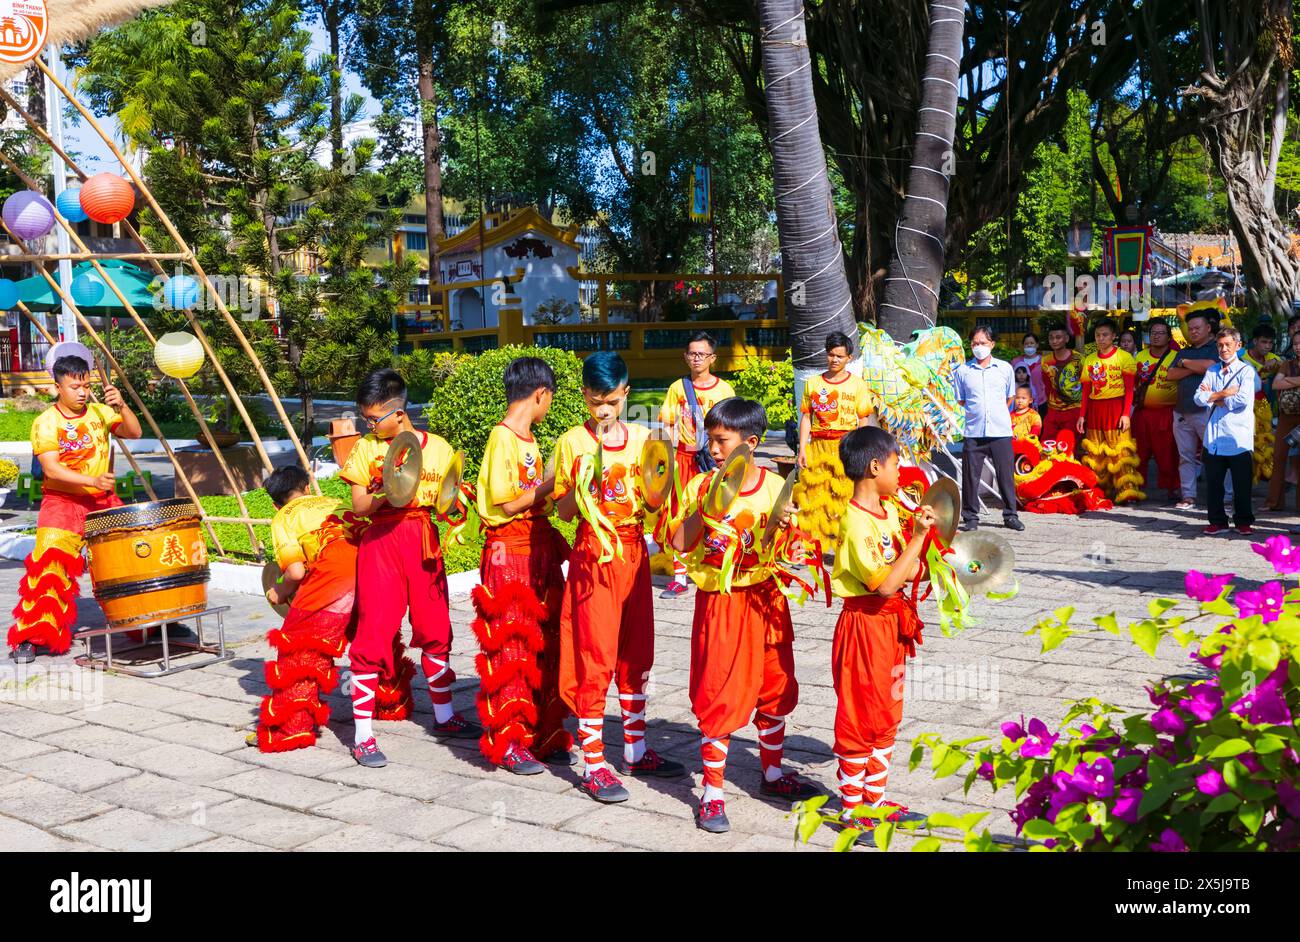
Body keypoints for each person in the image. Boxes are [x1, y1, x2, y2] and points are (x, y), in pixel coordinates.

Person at [669, 397, 819, 834]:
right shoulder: (700, 485)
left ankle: (772, 774)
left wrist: (792, 538)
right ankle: (712, 794)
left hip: (767, 601)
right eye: (710, 440)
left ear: (751, 443)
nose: (713, 449)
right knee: (720, 692)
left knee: (775, 686)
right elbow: (678, 542)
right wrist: (706, 510)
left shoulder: (776, 489)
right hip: (723, 603)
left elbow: (799, 551)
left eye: (721, 441)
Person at [554, 352, 686, 803]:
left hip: (634, 552)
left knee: (636, 649)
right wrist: (581, 486)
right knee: (595, 653)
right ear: (584, 397)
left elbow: (654, 503)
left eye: (611, 401)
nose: (604, 411)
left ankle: (635, 748)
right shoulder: (572, 441)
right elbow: (562, 510)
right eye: (595, 402)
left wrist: (661, 494)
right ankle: (592, 760)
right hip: (594, 553)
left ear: (626, 393)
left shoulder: (646, 440)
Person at [340, 368, 481, 768]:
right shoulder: (367, 449)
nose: (369, 426)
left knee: (435, 627)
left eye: (374, 418)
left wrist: (456, 508)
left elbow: (449, 497)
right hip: (381, 542)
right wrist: (389, 490)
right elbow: (358, 507)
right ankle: (363, 735)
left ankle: (444, 715)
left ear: (398, 413)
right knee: (374, 631)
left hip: (422, 539)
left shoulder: (437, 448)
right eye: (366, 419)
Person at [829, 426, 935, 839]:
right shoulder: (855, 523)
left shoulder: (890, 510)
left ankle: (875, 799)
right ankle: (852, 811)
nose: (900, 471)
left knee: (888, 711)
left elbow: (908, 568)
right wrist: (919, 538)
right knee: (860, 715)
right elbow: (887, 582)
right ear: (875, 467)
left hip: (892, 624)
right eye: (895, 463)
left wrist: (920, 550)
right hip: (865, 626)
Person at [473, 357, 573, 774]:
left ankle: (542, 733)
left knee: (545, 642)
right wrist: (555, 482)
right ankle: (510, 740)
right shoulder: (503, 438)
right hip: (509, 552)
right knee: (513, 647)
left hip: (536, 547)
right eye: (549, 399)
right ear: (540, 395)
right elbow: (508, 502)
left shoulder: (528, 439)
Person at [9, 354, 142, 663]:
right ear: (58, 387)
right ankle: (33, 637)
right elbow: (52, 470)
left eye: (86, 385)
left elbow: (134, 433)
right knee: (49, 570)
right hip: (61, 503)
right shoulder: (46, 422)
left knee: (128, 557)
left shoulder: (100, 412)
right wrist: (92, 479)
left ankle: (143, 622)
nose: (82, 392)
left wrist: (120, 405)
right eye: (75, 386)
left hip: (102, 501)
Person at [254, 467, 362, 753]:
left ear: (276, 503)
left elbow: (296, 572)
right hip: (376, 571)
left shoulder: (284, 517)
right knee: (373, 642)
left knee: (297, 646)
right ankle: (391, 703)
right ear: (307, 487)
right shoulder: (335, 501)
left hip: (336, 577)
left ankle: (292, 728)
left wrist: (278, 592)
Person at [657, 331, 736, 597]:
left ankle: (717, 565)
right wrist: (667, 460)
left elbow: (732, 430)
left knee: (718, 511)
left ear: (713, 358)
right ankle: (680, 575)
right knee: (679, 514)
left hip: (716, 460)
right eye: (692, 353)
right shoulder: (678, 389)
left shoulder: (724, 390)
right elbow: (667, 426)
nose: (696, 358)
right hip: (684, 459)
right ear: (685, 356)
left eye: (702, 354)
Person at [794, 330, 877, 548]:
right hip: (819, 445)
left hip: (846, 445)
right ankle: (812, 544)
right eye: (831, 355)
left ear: (849, 358)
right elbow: (805, 418)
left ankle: (847, 542)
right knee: (815, 494)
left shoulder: (858, 385)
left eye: (840, 356)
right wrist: (802, 448)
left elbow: (863, 420)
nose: (834, 359)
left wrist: (861, 449)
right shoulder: (813, 383)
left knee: (846, 493)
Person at [954, 325, 1023, 532]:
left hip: (1000, 431)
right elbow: (962, 400)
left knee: (1005, 476)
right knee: (970, 476)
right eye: (975, 343)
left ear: (992, 344)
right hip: (974, 432)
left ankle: (1011, 515)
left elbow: (1010, 397)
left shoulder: (1005, 369)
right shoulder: (963, 371)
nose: (979, 347)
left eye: (983, 343)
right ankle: (970, 518)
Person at [1195, 327, 1258, 535]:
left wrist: (1213, 396)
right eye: (1220, 345)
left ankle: (1243, 521)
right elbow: (1198, 397)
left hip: (1238, 436)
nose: (1223, 349)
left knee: (1241, 483)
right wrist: (1223, 393)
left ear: (1238, 346)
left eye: (1228, 345)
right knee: (1213, 483)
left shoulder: (1246, 371)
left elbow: (1241, 401)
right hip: (1213, 438)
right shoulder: (1211, 371)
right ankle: (1217, 521)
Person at [1077, 318, 1144, 503]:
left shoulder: (1124, 357)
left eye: (1105, 335)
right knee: (1096, 452)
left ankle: (1127, 491)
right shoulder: (1090, 359)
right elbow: (1085, 391)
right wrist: (1082, 415)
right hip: (1095, 410)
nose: (1101, 338)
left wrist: (1125, 414)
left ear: (1114, 336)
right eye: (1098, 335)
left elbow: (1130, 389)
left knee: (1120, 452)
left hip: (1116, 407)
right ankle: (1100, 491)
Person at [1166, 309, 1221, 510]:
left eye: (1197, 328)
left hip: (1207, 411)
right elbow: (1171, 374)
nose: (1193, 332)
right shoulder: (1184, 350)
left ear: (1208, 328)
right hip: (1182, 411)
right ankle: (1188, 496)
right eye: (1190, 329)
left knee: (1216, 455)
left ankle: (1224, 497)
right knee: (1186, 456)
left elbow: (1211, 365)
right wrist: (1196, 367)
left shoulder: (1216, 348)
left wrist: (1186, 364)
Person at [1132, 320, 1181, 503]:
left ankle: (1172, 488)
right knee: (1139, 452)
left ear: (1169, 337)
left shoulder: (1176, 356)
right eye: (1153, 332)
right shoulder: (1140, 356)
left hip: (1166, 413)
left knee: (1168, 453)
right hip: (1142, 413)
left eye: (1161, 333)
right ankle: (1136, 487)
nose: (1156, 336)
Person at [1242, 323, 1281, 484]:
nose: (1267, 346)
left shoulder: (1275, 359)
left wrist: (1278, 367)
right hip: (1244, 413)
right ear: (1255, 341)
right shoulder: (1241, 359)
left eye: (1270, 343)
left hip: (1267, 412)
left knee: (1265, 446)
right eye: (1264, 342)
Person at [1266, 321, 1300, 510]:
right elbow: (1276, 385)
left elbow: (1282, 382)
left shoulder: (1286, 368)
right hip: (1286, 415)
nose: (1298, 347)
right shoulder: (1287, 363)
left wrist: (1288, 380)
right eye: (1295, 343)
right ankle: (1274, 502)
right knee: (1279, 456)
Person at [1040, 325, 1084, 447]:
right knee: (1046, 445)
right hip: (1053, 411)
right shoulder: (1045, 361)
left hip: (1073, 409)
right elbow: (1047, 387)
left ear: (1066, 339)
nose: (1054, 341)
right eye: (1051, 338)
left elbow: (1085, 386)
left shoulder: (1078, 359)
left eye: (1058, 337)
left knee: (1068, 447)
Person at [1011, 333, 1047, 413]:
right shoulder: (1015, 362)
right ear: (1023, 346)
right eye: (1026, 344)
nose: (1029, 345)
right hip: (1020, 403)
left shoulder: (1044, 361)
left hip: (1040, 402)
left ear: (1037, 345)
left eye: (1032, 343)